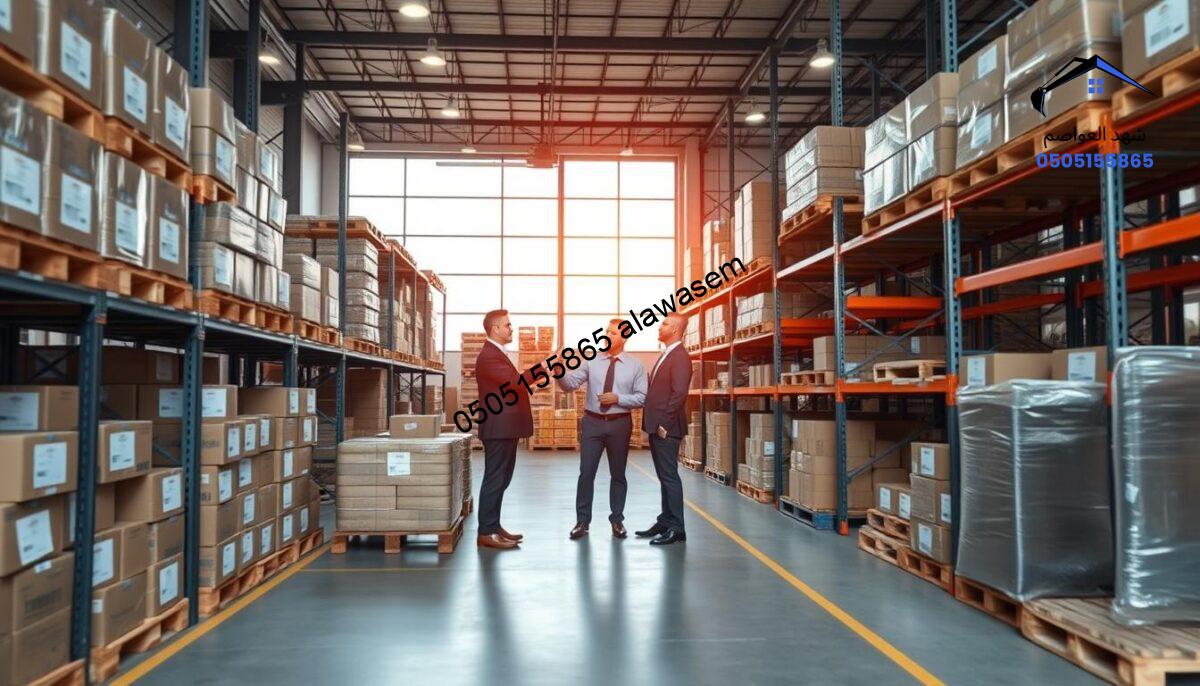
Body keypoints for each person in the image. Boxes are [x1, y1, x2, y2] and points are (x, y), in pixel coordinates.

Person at [557, 318, 648, 540]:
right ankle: (582, 521)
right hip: (592, 423)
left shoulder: (636, 366)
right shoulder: (592, 361)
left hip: (620, 423)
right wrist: (559, 369)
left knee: (618, 474)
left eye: (613, 333)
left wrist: (618, 398)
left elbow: (642, 397)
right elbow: (570, 385)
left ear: (624, 337)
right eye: (607, 331)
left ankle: (617, 520)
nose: (607, 335)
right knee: (586, 473)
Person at [475, 309, 535, 550]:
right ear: (495, 329)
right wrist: (545, 367)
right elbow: (515, 384)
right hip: (498, 428)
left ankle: (494, 525)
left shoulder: (498, 353)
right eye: (508, 325)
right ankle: (486, 532)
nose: (512, 329)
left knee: (502, 478)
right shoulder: (489, 355)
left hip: (505, 428)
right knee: (495, 478)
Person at [635, 312, 692, 546]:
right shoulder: (667, 354)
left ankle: (677, 528)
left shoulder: (680, 357)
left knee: (669, 477)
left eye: (665, 324)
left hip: (666, 428)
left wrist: (663, 425)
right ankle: (666, 521)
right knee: (663, 476)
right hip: (657, 426)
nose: (660, 327)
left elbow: (679, 394)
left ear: (675, 329)